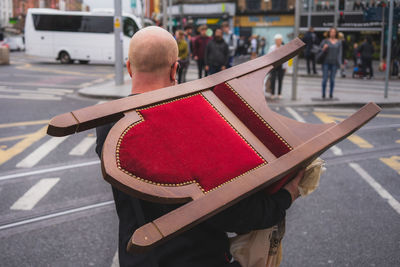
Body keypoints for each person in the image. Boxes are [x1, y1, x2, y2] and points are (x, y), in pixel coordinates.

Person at [95, 26, 304, 267]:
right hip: (197, 258)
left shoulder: (108, 126)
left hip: (137, 259)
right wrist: (284, 199)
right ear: (176, 69)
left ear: (129, 67)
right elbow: (232, 214)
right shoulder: (190, 125)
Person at [320, 27, 342, 99]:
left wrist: (340, 63)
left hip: (334, 63)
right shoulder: (325, 41)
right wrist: (324, 48)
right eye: (331, 32)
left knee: (332, 79)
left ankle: (331, 94)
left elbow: (340, 53)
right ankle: (323, 94)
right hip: (325, 62)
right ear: (329, 33)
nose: (332, 33)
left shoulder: (339, 42)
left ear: (336, 33)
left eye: (334, 32)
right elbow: (320, 50)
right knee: (325, 79)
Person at [268, 34, 287, 99]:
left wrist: (285, 67)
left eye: (279, 40)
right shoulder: (272, 47)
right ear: (275, 41)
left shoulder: (284, 47)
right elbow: (269, 57)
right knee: (272, 80)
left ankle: (279, 93)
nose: (278, 41)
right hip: (273, 66)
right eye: (277, 40)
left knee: (280, 80)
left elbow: (286, 58)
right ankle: (272, 93)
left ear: (281, 40)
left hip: (281, 66)